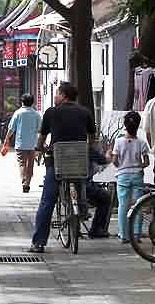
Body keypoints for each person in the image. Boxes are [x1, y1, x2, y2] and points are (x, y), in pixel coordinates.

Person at [29, 83, 96, 253]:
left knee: (47, 200)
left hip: (58, 161)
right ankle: (81, 209)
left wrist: (40, 148)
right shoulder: (85, 112)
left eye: (57, 93)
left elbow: (42, 137)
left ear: (64, 96)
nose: (55, 97)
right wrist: (85, 148)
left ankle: (38, 243)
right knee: (81, 181)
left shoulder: (51, 112)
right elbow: (91, 137)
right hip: (79, 161)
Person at [110, 111, 150, 243]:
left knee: (123, 205)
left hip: (122, 176)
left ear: (125, 125)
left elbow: (115, 161)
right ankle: (136, 234)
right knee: (138, 204)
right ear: (138, 125)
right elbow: (146, 162)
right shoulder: (142, 143)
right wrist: (139, 165)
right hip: (137, 175)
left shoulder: (118, 141)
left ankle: (124, 234)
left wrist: (118, 163)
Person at [4, 93, 41, 193]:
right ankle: (28, 183)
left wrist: (6, 139)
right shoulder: (36, 114)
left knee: (22, 164)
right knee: (30, 165)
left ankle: (24, 183)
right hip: (32, 144)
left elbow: (11, 128)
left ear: (22, 102)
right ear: (32, 102)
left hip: (20, 144)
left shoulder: (18, 113)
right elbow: (40, 130)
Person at [85, 146, 113, 238]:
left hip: (65, 184)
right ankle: (96, 229)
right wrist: (109, 153)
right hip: (84, 186)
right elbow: (105, 160)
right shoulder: (86, 148)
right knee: (105, 197)